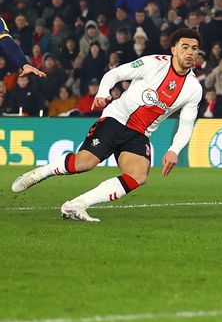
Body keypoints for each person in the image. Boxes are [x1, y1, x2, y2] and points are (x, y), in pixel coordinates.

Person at [12, 28, 205, 223]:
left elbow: (187, 123)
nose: (190, 52)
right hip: (116, 119)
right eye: (185, 47)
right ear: (173, 49)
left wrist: (174, 150)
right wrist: (103, 92)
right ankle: (38, 174)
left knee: (138, 175)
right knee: (84, 163)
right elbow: (116, 73)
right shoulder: (153, 63)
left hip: (140, 133)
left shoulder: (193, 88)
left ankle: (76, 205)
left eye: (194, 49)